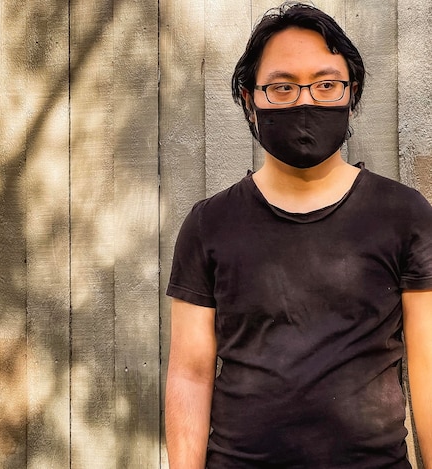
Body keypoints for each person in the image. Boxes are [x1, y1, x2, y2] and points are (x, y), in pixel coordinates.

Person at [165, 3, 432, 468]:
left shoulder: (405, 215)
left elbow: (429, 367)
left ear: (351, 94)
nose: (306, 101)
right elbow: (189, 374)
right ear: (251, 100)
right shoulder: (208, 224)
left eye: (326, 85)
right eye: (282, 88)